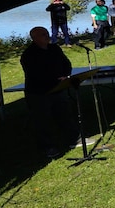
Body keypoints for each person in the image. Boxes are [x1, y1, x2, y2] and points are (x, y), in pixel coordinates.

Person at [20, 26, 76, 159]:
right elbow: (35, 74)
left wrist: (65, 75)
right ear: (34, 38)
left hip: (59, 88)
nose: (47, 36)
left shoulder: (54, 49)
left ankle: (74, 139)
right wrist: (54, 79)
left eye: (47, 33)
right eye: (43, 35)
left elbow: (66, 63)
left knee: (65, 114)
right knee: (42, 120)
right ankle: (47, 147)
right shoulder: (28, 55)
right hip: (39, 92)